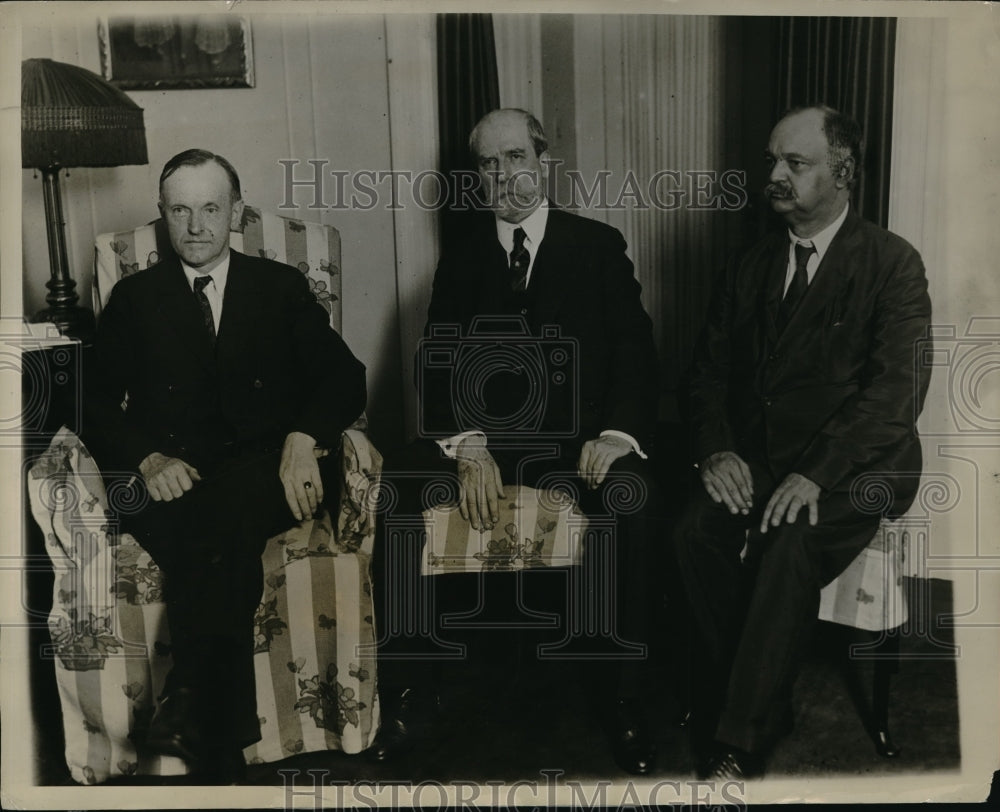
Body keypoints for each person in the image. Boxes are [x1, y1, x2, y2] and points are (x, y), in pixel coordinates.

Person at [368, 109, 661, 775]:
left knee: (635, 496)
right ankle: (409, 692)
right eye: (488, 163)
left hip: (578, 444)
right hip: (488, 445)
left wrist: (616, 436)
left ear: (543, 161)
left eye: (515, 157)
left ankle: (625, 698)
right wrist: (468, 445)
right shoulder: (463, 253)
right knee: (401, 486)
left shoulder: (598, 245)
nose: (503, 175)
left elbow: (634, 353)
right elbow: (436, 360)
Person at [83, 149, 366, 781]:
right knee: (213, 530)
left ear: (236, 212)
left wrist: (302, 439)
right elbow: (93, 401)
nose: (195, 226)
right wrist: (147, 458)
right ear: (162, 214)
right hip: (170, 480)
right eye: (180, 210)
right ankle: (222, 733)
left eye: (211, 208)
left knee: (220, 514)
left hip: (268, 473)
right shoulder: (135, 298)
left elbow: (346, 378)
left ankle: (188, 704)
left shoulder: (279, 287)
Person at [674, 105, 932, 779]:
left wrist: (816, 471)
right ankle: (759, 694)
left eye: (795, 162)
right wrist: (716, 450)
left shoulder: (893, 263)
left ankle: (739, 740)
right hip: (761, 453)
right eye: (772, 161)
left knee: (791, 539)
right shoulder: (749, 264)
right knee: (693, 531)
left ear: (842, 173)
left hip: (859, 463)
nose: (776, 175)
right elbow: (705, 374)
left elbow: (896, 394)